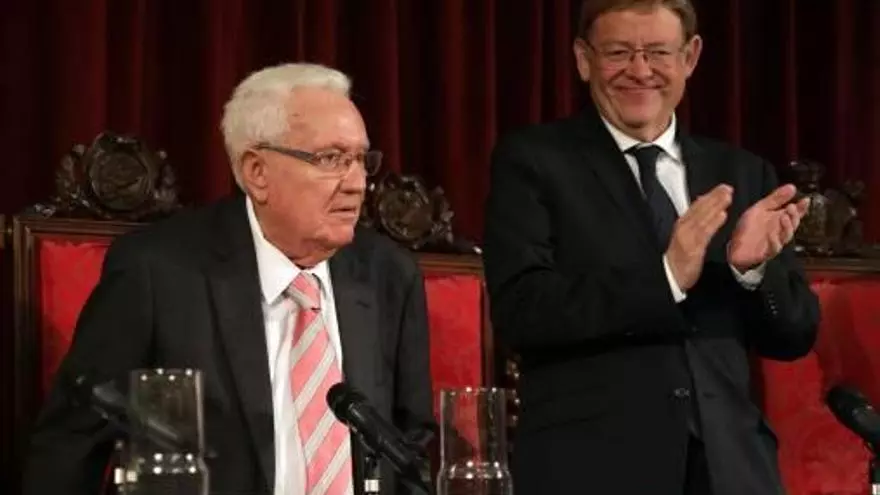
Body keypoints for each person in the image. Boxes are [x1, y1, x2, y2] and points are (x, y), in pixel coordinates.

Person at [21, 63, 434, 495]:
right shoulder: (157, 273)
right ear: (257, 172)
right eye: (331, 159)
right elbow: (72, 445)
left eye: (361, 160)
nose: (357, 183)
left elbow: (413, 453)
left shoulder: (389, 275)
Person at [482, 1, 820, 494]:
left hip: (731, 469)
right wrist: (666, 277)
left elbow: (794, 336)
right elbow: (522, 311)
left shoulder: (742, 173)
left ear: (690, 57)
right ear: (583, 59)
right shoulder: (534, 162)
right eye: (618, 52)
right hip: (591, 467)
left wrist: (751, 272)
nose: (640, 71)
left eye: (658, 52)